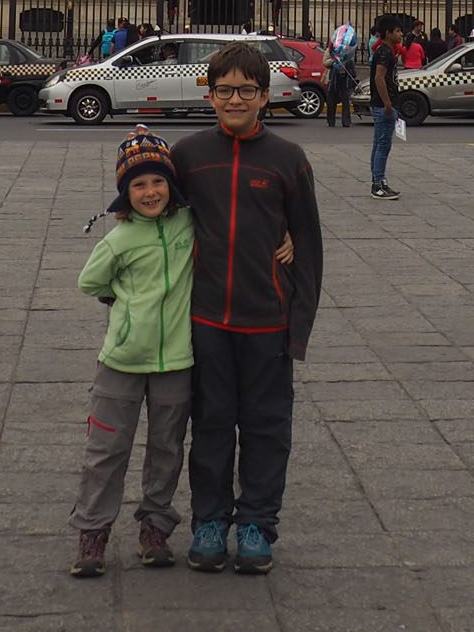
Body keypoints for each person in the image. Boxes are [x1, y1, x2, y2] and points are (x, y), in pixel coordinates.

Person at [171, 44, 324, 576]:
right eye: (225, 90)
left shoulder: (287, 159)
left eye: (246, 91)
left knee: (267, 428)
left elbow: (309, 242)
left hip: (268, 321)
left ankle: (257, 523)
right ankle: (210, 522)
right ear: (209, 95)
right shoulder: (189, 155)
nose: (235, 99)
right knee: (210, 425)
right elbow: (153, 211)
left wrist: (299, 327)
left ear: (264, 96)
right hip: (207, 319)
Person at [69, 127, 195, 577]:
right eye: (138, 185)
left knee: (167, 449)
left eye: (158, 181)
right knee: (106, 450)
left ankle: (154, 527)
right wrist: (120, 301)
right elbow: (90, 281)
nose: (150, 192)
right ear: (126, 193)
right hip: (121, 362)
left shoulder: (188, 225)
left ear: (171, 184)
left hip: (176, 361)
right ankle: (93, 532)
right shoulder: (118, 239)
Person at [368, 24, 403, 198]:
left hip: (383, 104)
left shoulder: (386, 51)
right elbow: (379, 77)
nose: (400, 34)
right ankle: (378, 183)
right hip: (384, 106)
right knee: (383, 145)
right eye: (397, 31)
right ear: (388, 33)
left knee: (379, 144)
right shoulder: (384, 52)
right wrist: (387, 102)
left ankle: (379, 180)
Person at [325, 35, 356, 129]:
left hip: (345, 79)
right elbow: (325, 62)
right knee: (331, 100)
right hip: (333, 78)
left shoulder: (347, 51)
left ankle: (346, 121)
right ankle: (331, 121)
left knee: (346, 100)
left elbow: (351, 64)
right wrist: (333, 60)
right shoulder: (330, 51)